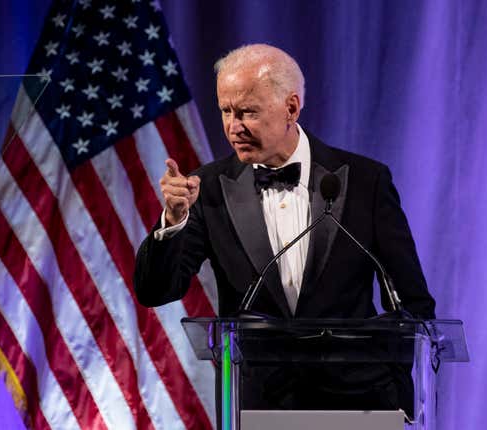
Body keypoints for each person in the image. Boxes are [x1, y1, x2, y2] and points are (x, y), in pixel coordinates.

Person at [134, 44, 435, 416]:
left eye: (247, 112)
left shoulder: (365, 181)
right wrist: (173, 221)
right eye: (226, 111)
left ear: (291, 108)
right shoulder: (207, 189)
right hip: (260, 406)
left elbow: (412, 303)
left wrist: (400, 399)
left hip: (361, 406)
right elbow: (155, 290)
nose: (233, 126)